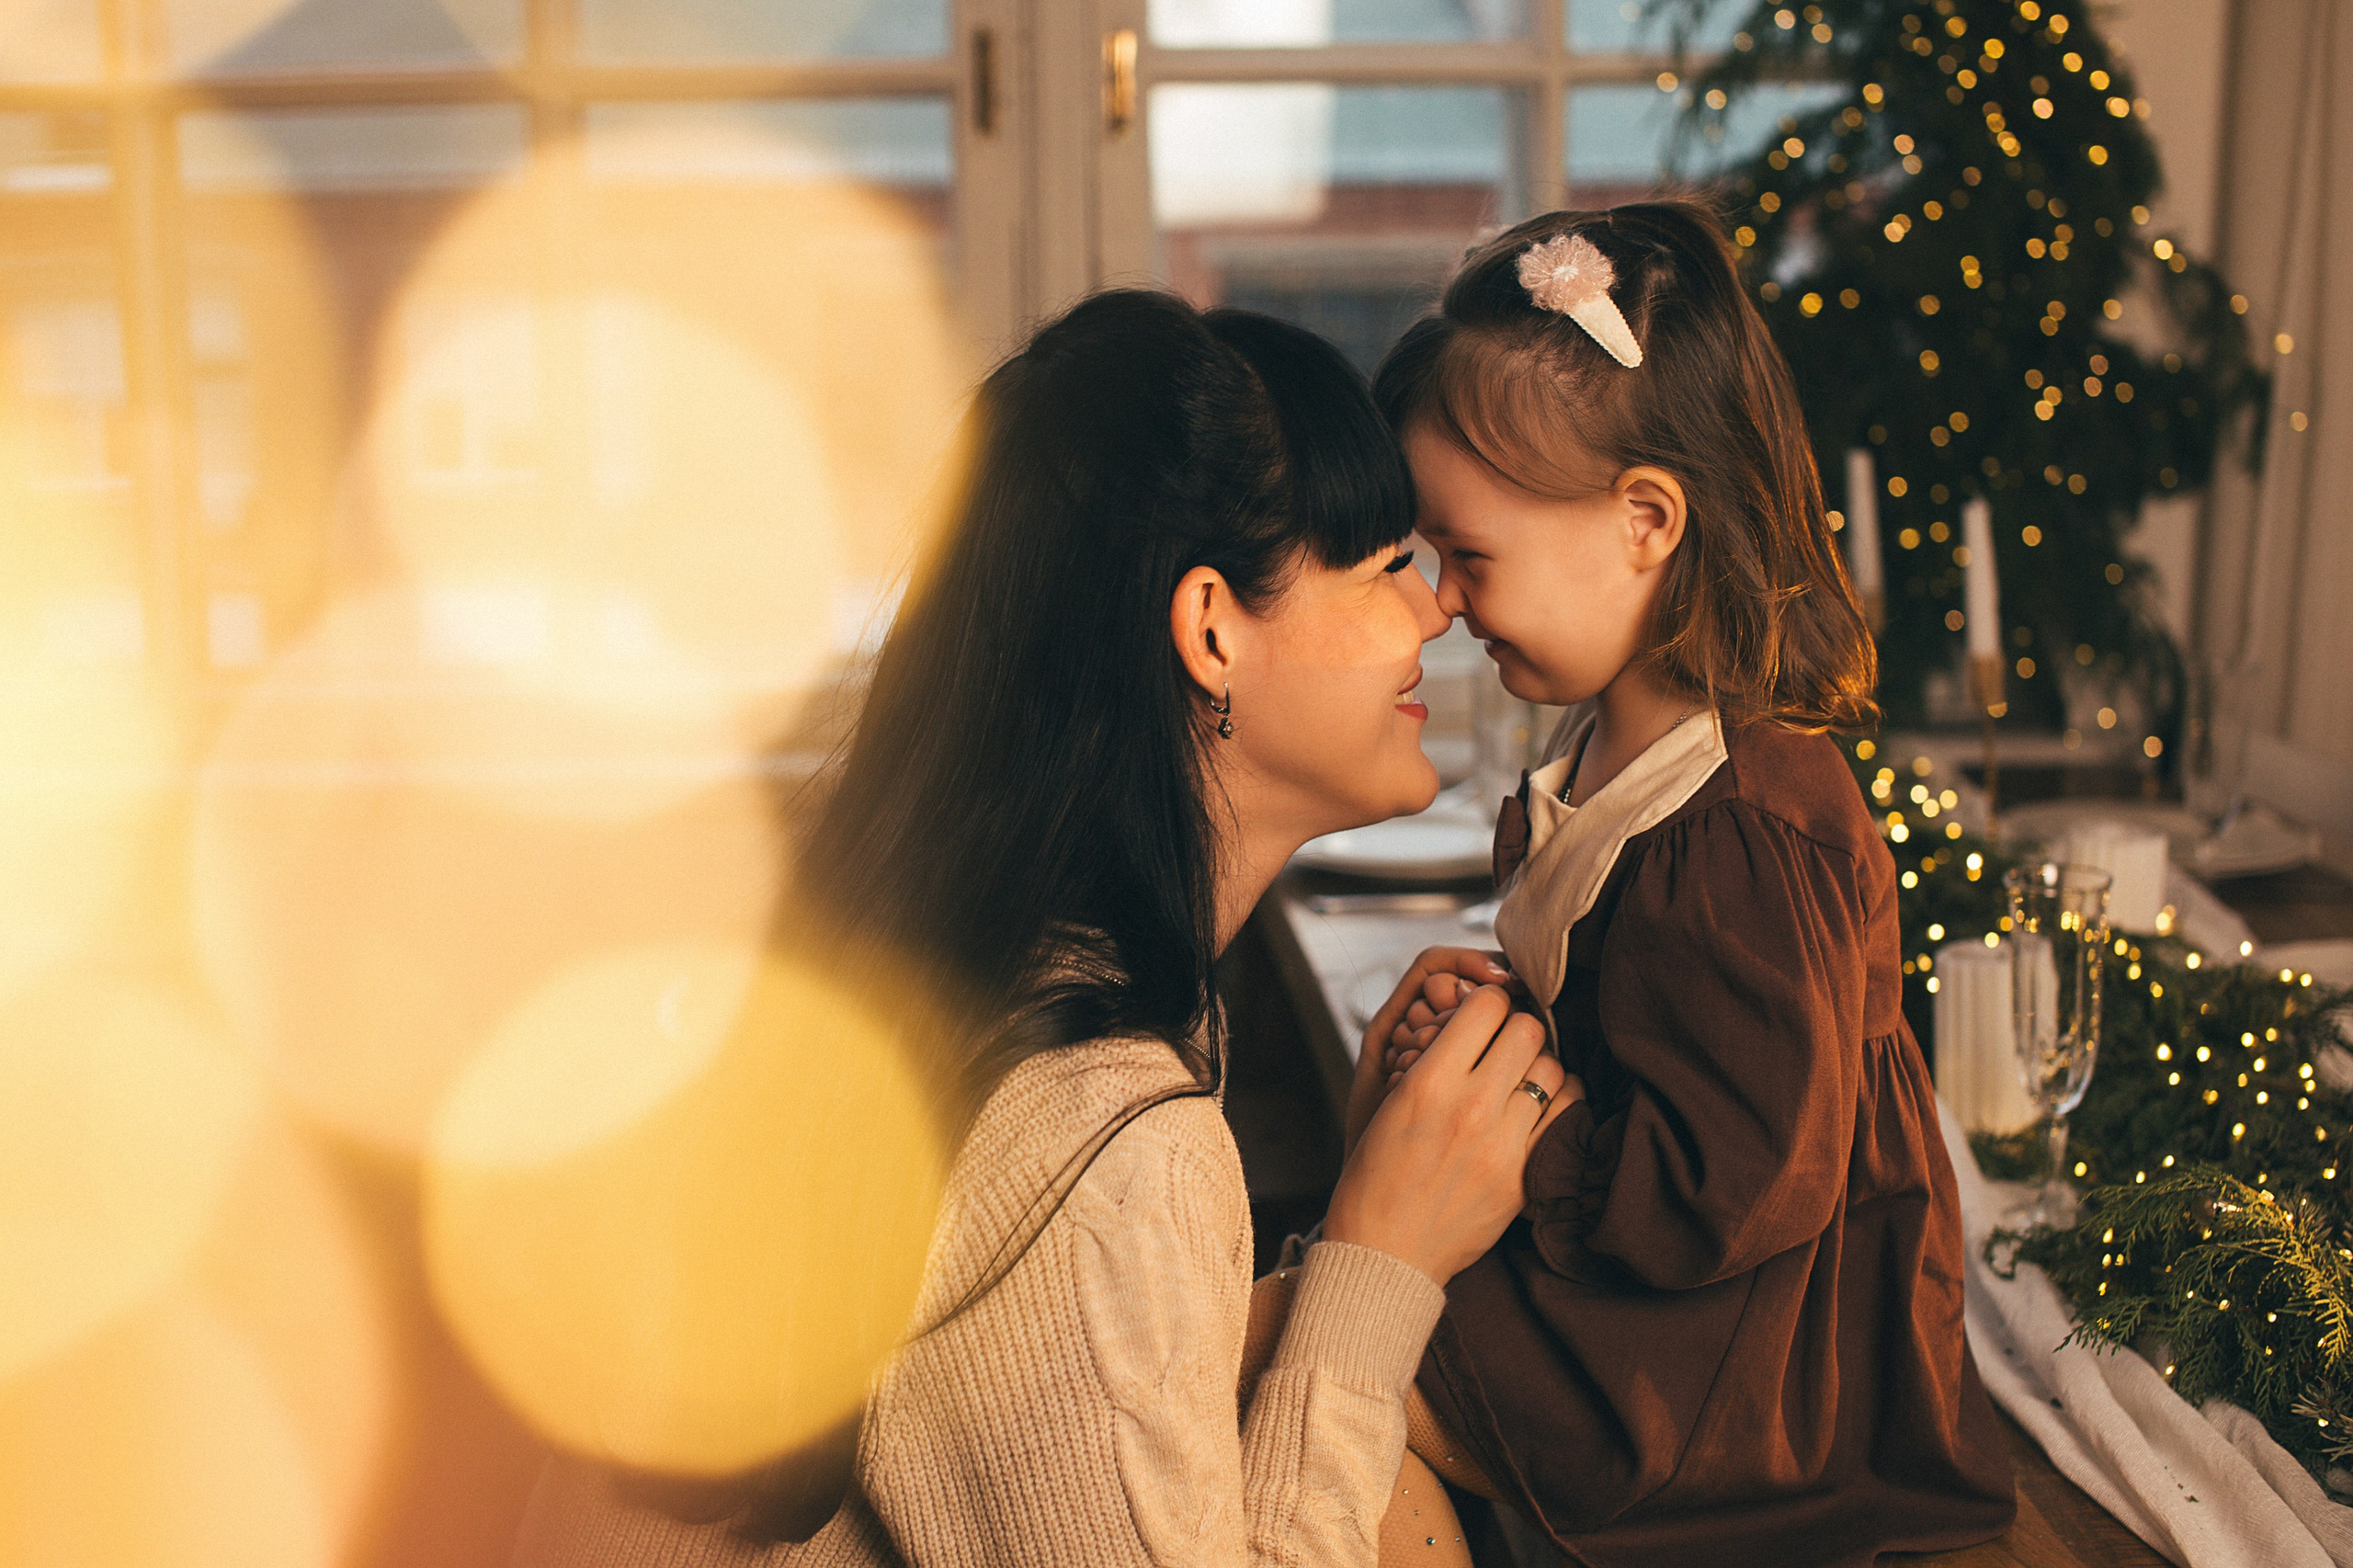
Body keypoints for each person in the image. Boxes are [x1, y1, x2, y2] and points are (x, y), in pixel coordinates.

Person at [508, 289, 1574, 1567]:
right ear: (1211, 628)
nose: (1434, 607)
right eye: (1381, 565)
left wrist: (1353, 1209)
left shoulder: (982, 979)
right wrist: (1381, 1255)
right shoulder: (1098, 1132)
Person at [1364, 202, 2017, 1565]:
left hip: (1743, 1365)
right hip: (1652, 1272)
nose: (1446, 600)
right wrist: (1515, 1034)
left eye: (1469, 554)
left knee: (1359, 1338)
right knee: (1343, 1301)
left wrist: (1530, 1113)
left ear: (1646, 520)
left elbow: (1736, 1178)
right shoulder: (1616, 745)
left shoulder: (1744, 826)